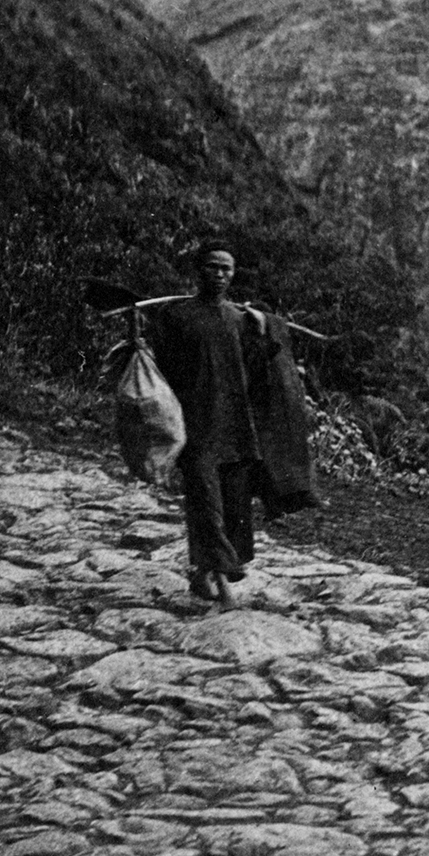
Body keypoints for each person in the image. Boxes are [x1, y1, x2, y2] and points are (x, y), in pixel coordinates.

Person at [147, 239, 260, 604]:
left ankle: (200, 575)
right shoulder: (177, 317)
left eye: (227, 268)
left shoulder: (239, 319)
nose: (221, 274)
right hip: (194, 428)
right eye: (213, 266)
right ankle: (226, 585)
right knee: (206, 504)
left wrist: (264, 323)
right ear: (198, 271)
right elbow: (158, 367)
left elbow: (260, 362)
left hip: (233, 428)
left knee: (228, 506)